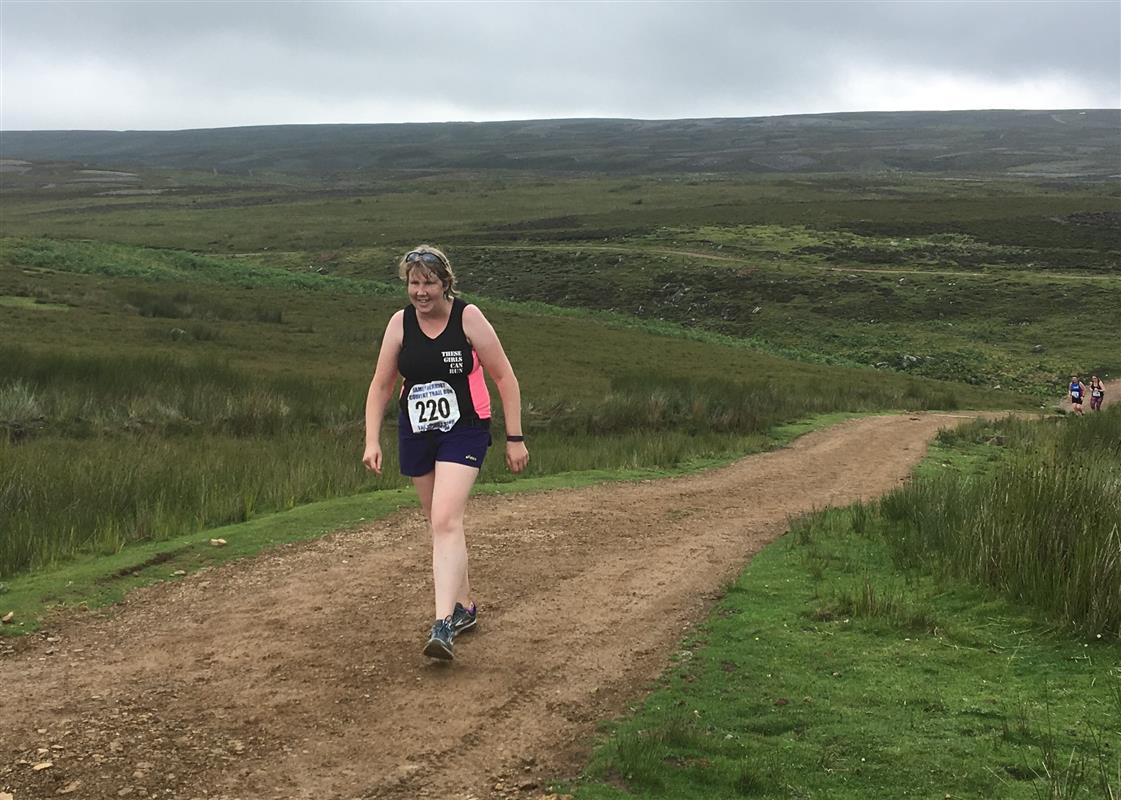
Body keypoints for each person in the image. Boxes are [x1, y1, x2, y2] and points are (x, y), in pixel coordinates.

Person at [362, 245, 529, 661]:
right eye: (414, 283)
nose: (421, 292)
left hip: (465, 428)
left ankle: (442, 625)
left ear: (445, 283)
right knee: (441, 525)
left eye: (429, 283)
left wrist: (515, 437)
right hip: (417, 431)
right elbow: (381, 385)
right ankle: (465, 607)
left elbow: (504, 377)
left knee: (445, 519)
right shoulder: (399, 323)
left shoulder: (468, 318)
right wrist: (371, 439)